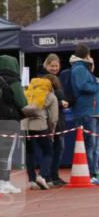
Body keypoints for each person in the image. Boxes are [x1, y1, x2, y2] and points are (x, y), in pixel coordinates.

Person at [0, 56, 28, 194]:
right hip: (9, 121)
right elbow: (22, 102)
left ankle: (1, 182)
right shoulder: (14, 81)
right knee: (7, 154)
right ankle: (4, 183)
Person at [22, 75, 59, 189]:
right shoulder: (51, 96)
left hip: (25, 126)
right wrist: (52, 131)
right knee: (47, 151)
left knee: (29, 152)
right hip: (40, 126)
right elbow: (53, 118)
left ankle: (32, 180)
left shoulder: (28, 92)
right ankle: (42, 175)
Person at [69, 43, 99, 181]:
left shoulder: (82, 68)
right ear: (87, 55)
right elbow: (83, 86)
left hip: (91, 111)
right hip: (86, 111)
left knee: (93, 144)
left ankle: (94, 172)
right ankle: (91, 174)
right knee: (90, 144)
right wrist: (96, 83)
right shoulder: (80, 69)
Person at [40, 54, 68, 187]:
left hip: (58, 119)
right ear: (46, 65)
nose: (55, 68)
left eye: (57, 66)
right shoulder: (42, 78)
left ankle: (53, 176)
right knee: (52, 149)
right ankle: (47, 176)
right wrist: (60, 100)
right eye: (52, 66)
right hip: (50, 120)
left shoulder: (58, 78)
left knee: (58, 148)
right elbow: (46, 97)